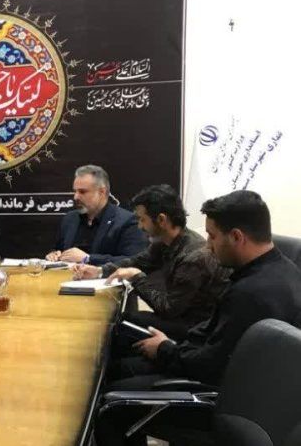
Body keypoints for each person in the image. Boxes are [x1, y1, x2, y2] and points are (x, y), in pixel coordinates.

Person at [96, 190, 301, 446]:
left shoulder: (251, 294)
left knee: (109, 406)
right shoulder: (285, 269)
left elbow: (209, 367)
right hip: (253, 391)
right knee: (120, 366)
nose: (208, 245)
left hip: (221, 398)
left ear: (237, 237)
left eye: (212, 236)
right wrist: (170, 346)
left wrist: (165, 349)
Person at [74, 185, 230, 341]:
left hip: (197, 330)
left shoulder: (193, 258)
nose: (140, 226)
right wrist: (100, 271)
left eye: (142, 220)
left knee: (124, 323)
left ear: (161, 220)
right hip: (180, 318)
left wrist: (137, 278)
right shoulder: (164, 242)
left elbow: (168, 309)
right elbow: (137, 261)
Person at [46, 165, 146, 265]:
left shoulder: (126, 221)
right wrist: (55, 254)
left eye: (82, 192)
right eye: (75, 191)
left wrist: (88, 258)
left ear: (102, 192)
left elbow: (134, 260)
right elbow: (59, 248)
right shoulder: (70, 218)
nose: (76, 197)